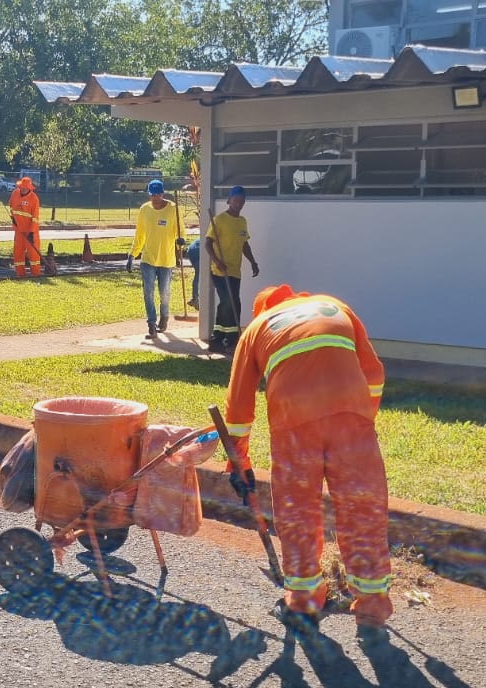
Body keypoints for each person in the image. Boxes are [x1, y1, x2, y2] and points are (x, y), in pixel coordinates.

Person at [221, 284, 392, 640]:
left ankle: (303, 604)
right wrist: (361, 418)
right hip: (352, 419)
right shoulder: (334, 305)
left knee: (297, 511)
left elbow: (238, 412)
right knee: (363, 510)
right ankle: (373, 608)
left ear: (263, 309)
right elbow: (374, 374)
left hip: (294, 423)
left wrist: (238, 463)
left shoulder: (257, 329)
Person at [204, 186, 261, 354]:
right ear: (229, 201)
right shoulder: (220, 220)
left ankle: (218, 337)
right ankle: (231, 338)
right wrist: (217, 261)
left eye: (242, 201)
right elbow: (208, 243)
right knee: (231, 301)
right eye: (236, 200)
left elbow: (244, 244)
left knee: (229, 302)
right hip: (219, 270)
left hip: (235, 270)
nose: (239, 204)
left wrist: (253, 262)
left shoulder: (242, 221)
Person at [127, 179, 182, 339]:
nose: (156, 198)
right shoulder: (145, 210)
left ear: (163, 193)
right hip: (148, 258)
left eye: (158, 194)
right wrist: (132, 254)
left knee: (164, 292)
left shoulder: (173, 209)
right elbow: (140, 235)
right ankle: (151, 324)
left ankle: (164, 318)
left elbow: (181, 230)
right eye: (153, 195)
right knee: (148, 292)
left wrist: (181, 240)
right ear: (149, 194)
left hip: (166, 259)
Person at [8, 176, 42, 277]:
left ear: (29, 188)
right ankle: (20, 274)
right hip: (19, 230)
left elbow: (35, 218)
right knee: (18, 252)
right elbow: (11, 206)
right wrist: (13, 218)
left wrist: (32, 232)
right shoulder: (15, 194)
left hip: (30, 231)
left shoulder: (34, 199)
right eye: (22, 187)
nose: (23, 189)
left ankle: (35, 274)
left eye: (25, 188)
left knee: (33, 254)